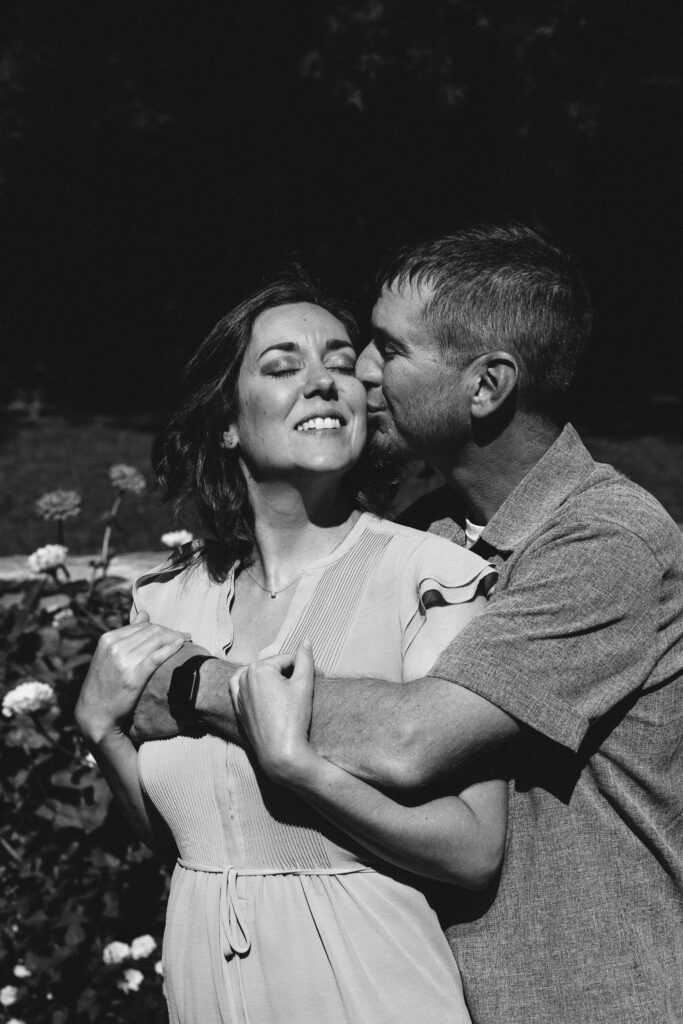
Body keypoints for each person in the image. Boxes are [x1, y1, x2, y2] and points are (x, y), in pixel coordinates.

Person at [131, 224, 683, 1024]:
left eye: (387, 350)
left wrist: (190, 683)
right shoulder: (433, 534)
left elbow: (407, 739)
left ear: (486, 386)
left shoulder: (603, 543)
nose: (356, 371)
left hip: (586, 995)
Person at [76, 272, 504, 1024]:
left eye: (341, 364)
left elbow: (471, 853)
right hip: (207, 987)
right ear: (226, 424)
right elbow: (185, 839)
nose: (323, 384)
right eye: (282, 367)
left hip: (368, 984)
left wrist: (301, 770)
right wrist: (103, 733)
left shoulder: (429, 580)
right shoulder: (165, 602)